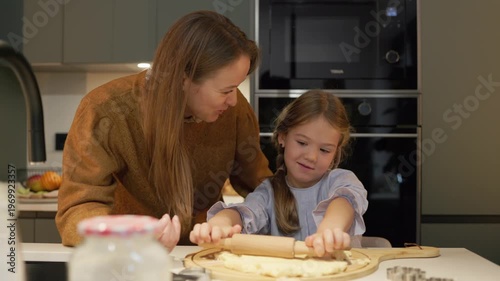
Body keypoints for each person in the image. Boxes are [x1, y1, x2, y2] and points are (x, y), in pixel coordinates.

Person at [55, 11, 273, 251]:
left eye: (236, 88)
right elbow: (78, 207)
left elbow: (262, 186)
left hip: (203, 254)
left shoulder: (234, 110)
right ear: (183, 79)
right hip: (127, 260)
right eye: (226, 90)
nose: (233, 100)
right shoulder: (106, 111)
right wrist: (131, 239)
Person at [190, 90, 368, 257]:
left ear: (336, 152)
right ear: (283, 136)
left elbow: (345, 201)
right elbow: (244, 213)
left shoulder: (340, 181)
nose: (312, 156)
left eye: (324, 150)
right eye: (302, 142)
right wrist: (220, 224)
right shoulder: (269, 192)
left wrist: (331, 229)